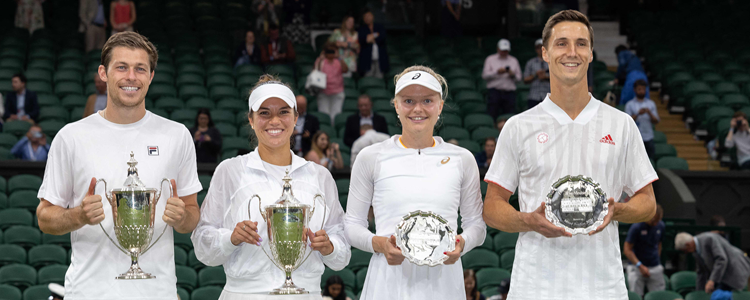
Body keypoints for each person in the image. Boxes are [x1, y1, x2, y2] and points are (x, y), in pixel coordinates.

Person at [482, 10, 658, 300]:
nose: (571, 52)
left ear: (590, 53)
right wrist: (527, 221)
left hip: (602, 288)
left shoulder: (621, 124)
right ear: (545, 53)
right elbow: (492, 208)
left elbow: (648, 202)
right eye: (561, 43)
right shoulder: (518, 126)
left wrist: (618, 210)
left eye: (581, 43)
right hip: (534, 287)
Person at [36, 32, 203, 299]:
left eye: (140, 69)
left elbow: (192, 214)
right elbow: (44, 217)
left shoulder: (177, 135)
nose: (131, 77)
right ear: (103, 73)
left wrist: (183, 218)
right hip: (90, 292)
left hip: (156, 292)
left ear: (151, 76)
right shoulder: (71, 136)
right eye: (121, 67)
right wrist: (77, 216)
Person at [191, 74, 351, 299]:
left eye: (283, 112)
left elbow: (342, 251)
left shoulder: (320, 175)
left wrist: (329, 246)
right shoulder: (230, 171)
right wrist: (231, 238)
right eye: (264, 113)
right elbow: (202, 246)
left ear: (296, 117)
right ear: (251, 119)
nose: (274, 121)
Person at [344, 66, 486, 299]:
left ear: (440, 106)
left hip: (444, 283)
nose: (418, 109)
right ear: (396, 105)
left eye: (427, 100)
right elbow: (352, 225)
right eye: (409, 100)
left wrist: (462, 242)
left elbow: (477, 226)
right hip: (388, 281)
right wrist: (380, 244)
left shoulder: (463, 159)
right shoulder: (371, 157)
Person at [675, 232, 750, 296]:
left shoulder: (709, 239)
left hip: (735, 270)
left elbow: (721, 259)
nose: (686, 253)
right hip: (722, 275)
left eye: (685, 250)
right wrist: (698, 293)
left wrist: (712, 280)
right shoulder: (695, 251)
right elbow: (701, 272)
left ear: (688, 245)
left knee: (719, 296)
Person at [623, 204, 666, 297]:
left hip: (654, 267)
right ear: (648, 215)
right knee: (636, 296)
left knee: (659, 297)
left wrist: (656, 259)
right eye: (653, 220)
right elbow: (627, 249)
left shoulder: (661, 226)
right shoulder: (636, 227)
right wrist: (640, 265)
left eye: (658, 221)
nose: (655, 224)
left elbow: (659, 244)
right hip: (637, 267)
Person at [482, 39, 522, 121]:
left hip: (509, 93)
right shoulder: (490, 59)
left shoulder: (513, 60)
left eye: (506, 50)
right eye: (502, 50)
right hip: (494, 92)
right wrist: (497, 72)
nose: (504, 52)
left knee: (509, 116)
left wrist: (512, 74)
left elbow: (519, 78)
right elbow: (484, 75)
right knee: (492, 114)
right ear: (498, 49)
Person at [315, 43, 348, 125]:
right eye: (328, 51)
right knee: (324, 115)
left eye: (332, 51)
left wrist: (339, 57)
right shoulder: (320, 61)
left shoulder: (339, 61)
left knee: (335, 115)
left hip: (337, 93)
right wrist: (321, 59)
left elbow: (345, 70)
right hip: (323, 92)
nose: (331, 53)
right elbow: (316, 72)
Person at [625, 79, 660, 158]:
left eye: (643, 89)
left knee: (650, 161)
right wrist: (638, 114)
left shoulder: (651, 104)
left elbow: (656, 121)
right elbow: (627, 121)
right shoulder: (630, 104)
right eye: (639, 89)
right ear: (635, 90)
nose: (642, 91)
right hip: (635, 138)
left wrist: (649, 113)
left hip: (649, 137)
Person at [357, 10, 389, 78]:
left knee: (379, 79)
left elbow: (382, 37)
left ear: (373, 16)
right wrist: (375, 35)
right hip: (367, 60)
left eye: (368, 16)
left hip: (380, 60)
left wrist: (370, 37)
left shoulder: (379, 27)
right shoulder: (362, 29)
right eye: (365, 17)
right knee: (368, 79)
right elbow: (364, 40)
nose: (367, 18)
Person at [523, 39, 550, 109]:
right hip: (534, 96)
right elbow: (525, 80)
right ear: (536, 49)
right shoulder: (530, 63)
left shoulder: (552, 62)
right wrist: (536, 75)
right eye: (538, 48)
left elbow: (559, 78)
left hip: (549, 97)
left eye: (542, 47)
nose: (540, 50)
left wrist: (546, 77)